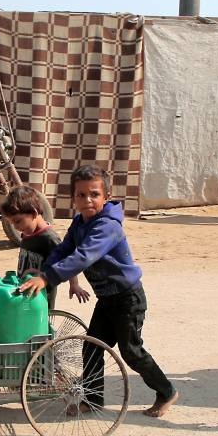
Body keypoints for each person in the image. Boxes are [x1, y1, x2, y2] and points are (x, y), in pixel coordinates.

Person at [18, 165, 179, 418]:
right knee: (92, 348)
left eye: (94, 194)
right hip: (107, 299)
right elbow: (64, 250)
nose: (87, 200)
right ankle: (94, 400)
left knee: (131, 351)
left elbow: (83, 255)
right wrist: (45, 272)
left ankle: (166, 390)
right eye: (81, 195)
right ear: (73, 198)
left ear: (106, 196)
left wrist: (49, 276)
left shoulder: (108, 227)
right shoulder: (79, 222)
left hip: (128, 298)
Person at [0, 185, 90, 309]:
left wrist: (74, 284)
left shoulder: (49, 238)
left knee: (41, 325)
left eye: (18, 221)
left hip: (42, 296)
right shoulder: (26, 233)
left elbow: (67, 259)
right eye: (12, 223)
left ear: (34, 213)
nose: (15, 227)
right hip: (26, 290)